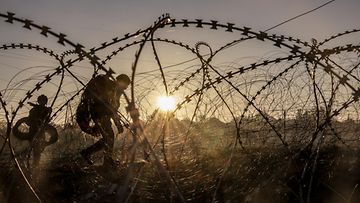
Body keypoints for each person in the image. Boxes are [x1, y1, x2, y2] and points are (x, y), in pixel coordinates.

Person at [77, 73, 133, 167]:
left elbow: (113, 110)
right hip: (99, 115)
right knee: (109, 136)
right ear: (121, 82)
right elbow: (107, 105)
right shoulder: (110, 87)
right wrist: (117, 122)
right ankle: (106, 160)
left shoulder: (116, 91)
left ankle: (88, 153)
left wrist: (118, 124)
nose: (125, 89)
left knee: (108, 137)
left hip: (103, 115)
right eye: (125, 86)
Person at [27, 94, 52, 167]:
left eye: (44, 101)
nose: (42, 102)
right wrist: (35, 122)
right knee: (34, 148)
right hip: (33, 131)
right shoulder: (33, 110)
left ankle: (36, 164)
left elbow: (47, 121)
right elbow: (28, 121)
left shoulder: (47, 110)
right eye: (41, 101)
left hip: (41, 131)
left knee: (39, 148)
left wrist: (49, 113)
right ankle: (33, 164)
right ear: (38, 101)